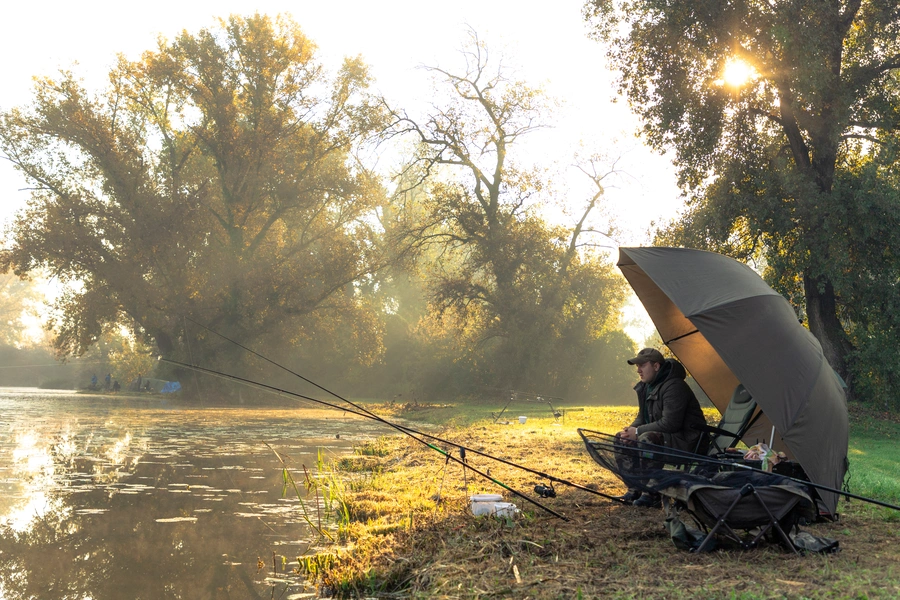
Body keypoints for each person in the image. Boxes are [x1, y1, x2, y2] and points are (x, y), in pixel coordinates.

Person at [616, 348, 707, 508]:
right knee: (620, 438)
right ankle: (635, 488)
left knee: (647, 439)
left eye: (642, 365)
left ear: (656, 366)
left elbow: (670, 423)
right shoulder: (647, 386)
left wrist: (637, 432)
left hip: (687, 441)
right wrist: (629, 431)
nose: (638, 370)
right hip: (667, 438)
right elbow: (642, 417)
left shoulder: (675, 386)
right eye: (637, 366)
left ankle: (651, 494)